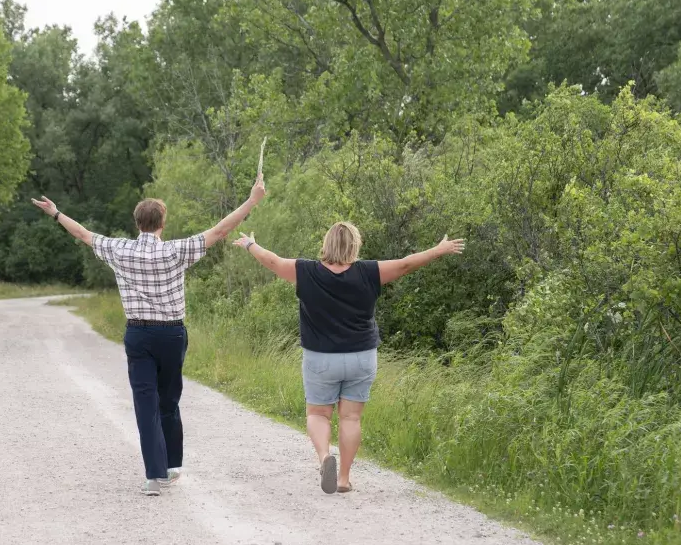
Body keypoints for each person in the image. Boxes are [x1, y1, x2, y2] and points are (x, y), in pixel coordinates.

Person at [32, 176, 267, 496]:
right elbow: (220, 230)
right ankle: (170, 466)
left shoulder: (120, 250)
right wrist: (253, 200)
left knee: (146, 404)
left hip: (138, 335)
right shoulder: (176, 251)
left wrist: (57, 213)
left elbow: (84, 235)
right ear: (162, 223)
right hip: (171, 335)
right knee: (168, 402)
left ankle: (155, 475)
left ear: (137, 223)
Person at [232, 223, 464, 494]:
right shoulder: (369, 272)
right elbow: (405, 264)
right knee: (351, 418)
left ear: (326, 243)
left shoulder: (305, 271)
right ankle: (343, 478)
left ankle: (324, 458)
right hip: (361, 357)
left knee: (318, 414)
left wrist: (250, 244)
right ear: (355, 245)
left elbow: (272, 260)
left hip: (321, 358)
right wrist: (439, 250)